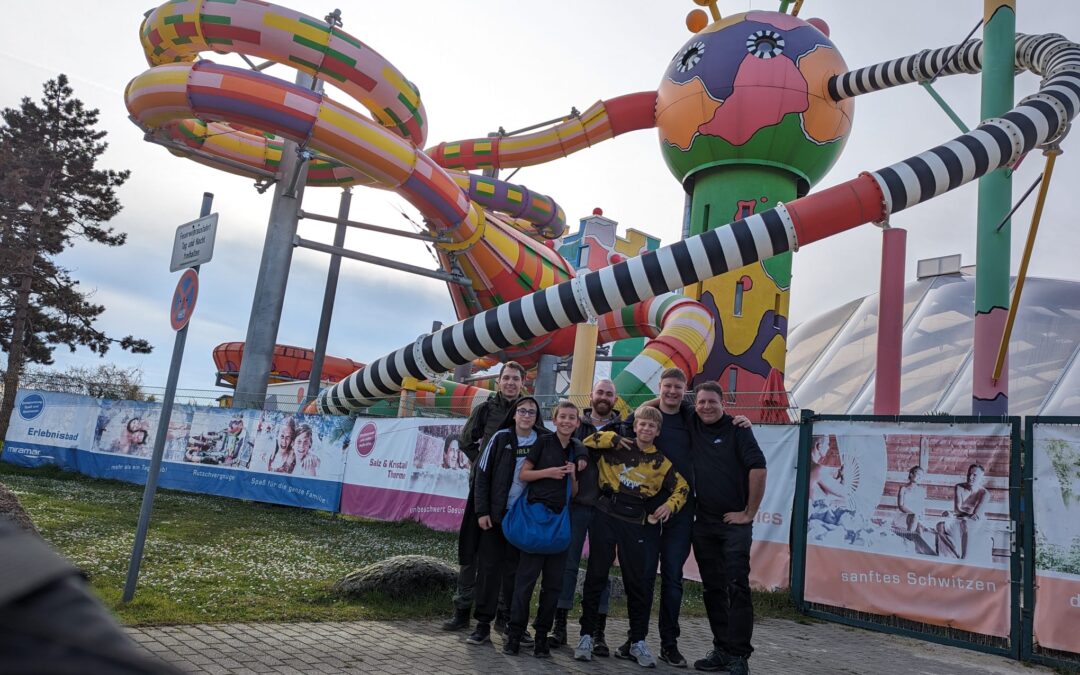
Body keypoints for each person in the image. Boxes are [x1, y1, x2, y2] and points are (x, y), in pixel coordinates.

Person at [632, 367, 752, 668]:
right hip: (644, 510)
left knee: (673, 579)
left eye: (677, 387)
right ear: (659, 387)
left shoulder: (691, 416)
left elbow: (713, 409)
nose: (672, 392)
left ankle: (669, 645)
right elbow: (626, 432)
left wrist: (741, 419)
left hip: (682, 511)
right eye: (667, 386)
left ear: (684, 390)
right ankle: (635, 639)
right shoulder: (645, 414)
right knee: (642, 577)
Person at [575, 404, 689, 668]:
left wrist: (668, 506)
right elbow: (586, 442)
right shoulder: (616, 445)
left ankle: (637, 641)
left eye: (652, 426)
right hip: (605, 515)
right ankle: (585, 636)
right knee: (595, 577)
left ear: (658, 431)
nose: (646, 428)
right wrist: (612, 436)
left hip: (635, 523)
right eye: (642, 424)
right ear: (634, 426)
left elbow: (682, 487)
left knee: (636, 584)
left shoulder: (662, 462)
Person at [687, 381, 766, 675]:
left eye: (712, 402)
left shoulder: (738, 429)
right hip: (703, 523)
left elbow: (758, 467)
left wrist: (749, 513)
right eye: (701, 402)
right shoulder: (691, 421)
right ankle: (721, 649)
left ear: (723, 404)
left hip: (733, 526)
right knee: (713, 588)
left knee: (737, 586)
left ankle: (739, 655)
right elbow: (661, 402)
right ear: (694, 404)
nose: (706, 407)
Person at [442, 361, 524, 633]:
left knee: (504, 555)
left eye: (516, 378)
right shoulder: (485, 409)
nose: (511, 383)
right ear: (498, 382)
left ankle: (502, 613)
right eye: (507, 378)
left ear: (523, 383)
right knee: (471, 550)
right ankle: (462, 609)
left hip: (511, 496)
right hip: (481, 492)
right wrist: (482, 465)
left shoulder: (527, 412)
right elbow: (466, 441)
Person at [467, 395, 549, 647]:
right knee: (489, 572)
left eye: (531, 412)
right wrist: (482, 512)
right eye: (522, 411)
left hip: (524, 520)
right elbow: (482, 477)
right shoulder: (500, 438)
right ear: (514, 414)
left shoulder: (544, 441)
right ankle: (482, 625)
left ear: (537, 417)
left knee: (517, 576)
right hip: (496, 517)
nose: (526, 415)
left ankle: (514, 626)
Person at [504, 399, 584, 658]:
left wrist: (572, 474)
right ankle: (514, 635)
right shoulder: (543, 442)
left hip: (559, 523)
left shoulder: (575, 449)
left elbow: (574, 493)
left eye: (572, 418)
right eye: (563, 416)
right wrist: (548, 472)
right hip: (536, 521)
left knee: (552, 587)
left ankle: (541, 638)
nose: (567, 421)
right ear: (554, 418)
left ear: (577, 423)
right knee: (524, 583)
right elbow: (523, 475)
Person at [551, 378, 625, 655]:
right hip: (578, 504)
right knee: (567, 565)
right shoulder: (574, 424)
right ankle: (559, 627)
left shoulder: (624, 428)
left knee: (601, 570)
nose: (604, 397)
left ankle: (597, 632)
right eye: (600, 392)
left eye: (609, 393)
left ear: (615, 399)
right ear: (590, 395)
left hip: (608, 508)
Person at [936, 464, 990, 561]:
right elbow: (957, 509)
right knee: (939, 525)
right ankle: (955, 551)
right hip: (960, 516)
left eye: (974, 475)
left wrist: (958, 514)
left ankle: (964, 557)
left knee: (965, 522)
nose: (970, 477)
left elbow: (976, 515)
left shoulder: (984, 493)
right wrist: (952, 514)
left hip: (975, 521)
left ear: (982, 477)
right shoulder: (959, 487)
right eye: (969, 474)